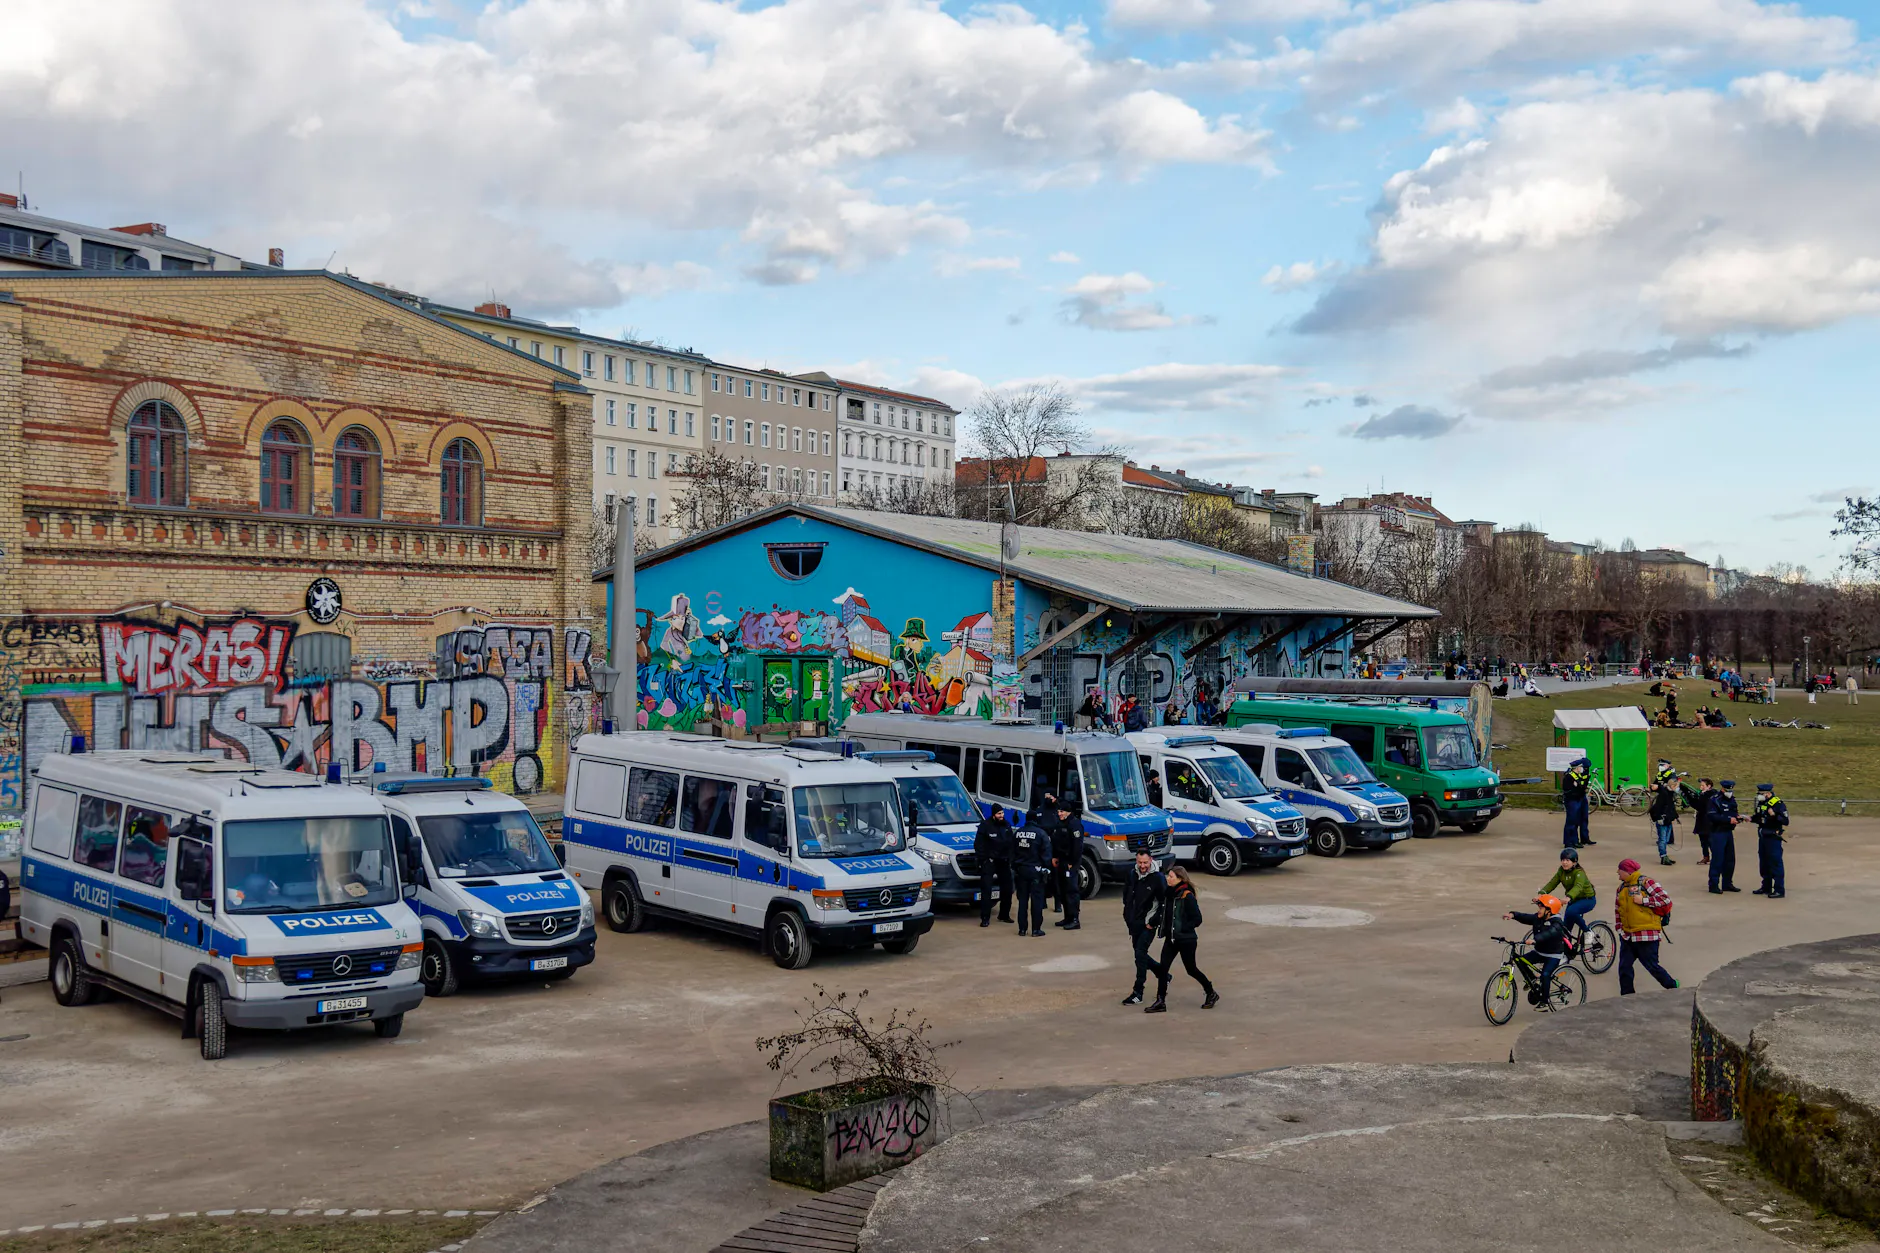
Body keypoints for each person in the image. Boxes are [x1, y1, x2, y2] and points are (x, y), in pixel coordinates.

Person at [1145, 865, 1217, 1012]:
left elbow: (1197, 919)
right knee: (1163, 969)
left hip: (1186, 940)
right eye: (1168, 876)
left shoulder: (1187, 896)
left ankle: (1211, 992)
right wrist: (1152, 923)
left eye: (1171, 876)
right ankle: (1160, 1001)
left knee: (1191, 969)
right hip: (1171, 940)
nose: (1168, 878)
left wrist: (1183, 928)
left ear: (1180, 879)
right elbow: (1163, 913)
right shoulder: (1168, 894)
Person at [1615, 858, 1678, 995]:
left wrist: (1643, 900)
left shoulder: (1646, 882)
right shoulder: (1621, 888)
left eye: (1619, 870)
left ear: (1627, 871)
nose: (1617, 873)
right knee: (1624, 968)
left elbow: (1665, 900)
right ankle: (1627, 996)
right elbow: (1618, 909)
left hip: (1646, 935)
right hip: (1628, 936)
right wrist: (1620, 929)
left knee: (1652, 967)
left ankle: (1672, 986)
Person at [1503, 894, 1571, 1010]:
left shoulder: (1557, 923)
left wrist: (1535, 940)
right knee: (1520, 960)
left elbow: (1549, 933)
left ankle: (1545, 1002)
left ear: (1549, 910)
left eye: (1541, 908)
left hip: (1553, 955)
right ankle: (1533, 980)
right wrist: (1513, 915)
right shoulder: (1539, 918)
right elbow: (1526, 917)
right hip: (1540, 952)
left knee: (1545, 975)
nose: (1538, 911)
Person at [1120, 850, 1166, 1006]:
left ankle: (1137, 992)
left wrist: (1153, 921)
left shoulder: (1158, 878)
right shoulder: (1132, 874)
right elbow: (1126, 896)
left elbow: (1164, 904)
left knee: (1140, 954)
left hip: (1148, 924)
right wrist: (1127, 915)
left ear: (1151, 860)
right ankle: (1162, 973)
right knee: (1139, 954)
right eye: (1140, 862)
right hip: (1134, 923)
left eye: (1145, 862)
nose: (1142, 866)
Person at [1539, 849, 1597, 946]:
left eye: (1568, 860)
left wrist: (1568, 897)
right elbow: (1553, 882)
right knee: (1565, 930)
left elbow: (1578, 887)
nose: (1564, 862)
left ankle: (1588, 931)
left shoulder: (1579, 873)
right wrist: (1542, 893)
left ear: (1574, 862)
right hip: (1573, 900)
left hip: (1587, 900)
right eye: (1563, 860)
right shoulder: (1561, 871)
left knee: (1571, 911)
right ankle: (1567, 954)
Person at [974, 806, 1016, 928]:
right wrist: (984, 860)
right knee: (986, 890)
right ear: (993, 815)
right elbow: (978, 844)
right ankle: (985, 918)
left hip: (1003, 861)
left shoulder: (1006, 825)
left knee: (1007, 889)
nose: (1001, 815)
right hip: (989, 861)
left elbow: (1011, 843)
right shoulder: (985, 825)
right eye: (999, 813)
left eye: (1002, 813)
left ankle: (1004, 915)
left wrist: (1010, 858)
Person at [1010, 816, 1052, 937]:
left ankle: (1022, 929)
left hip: (1021, 870)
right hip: (1036, 871)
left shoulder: (1018, 832)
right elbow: (1047, 853)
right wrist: (1046, 868)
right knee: (1036, 901)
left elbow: (1012, 852)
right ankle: (1036, 929)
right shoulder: (1041, 833)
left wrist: (1015, 867)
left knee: (1022, 901)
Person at [1048, 801, 1084, 931]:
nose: (1059, 814)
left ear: (1068, 812)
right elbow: (1056, 841)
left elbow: (1077, 846)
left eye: (1062, 811)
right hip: (1061, 860)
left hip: (1070, 862)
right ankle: (1067, 917)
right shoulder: (1060, 824)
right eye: (1058, 811)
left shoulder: (1074, 824)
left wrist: (1072, 863)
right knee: (1062, 890)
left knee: (1071, 891)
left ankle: (1074, 919)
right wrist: (1055, 856)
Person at [1752, 783, 1790, 898]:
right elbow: (1759, 817)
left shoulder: (1778, 804)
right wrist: (1750, 819)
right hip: (1763, 837)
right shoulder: (1762, 803)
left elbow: (1785, 821)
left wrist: (1774, 815)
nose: (1759, 796)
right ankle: (1766, 887)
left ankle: (1779, 889)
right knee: (1764, 863)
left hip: (1773, 837)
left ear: (1768, 793)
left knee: (1775, 863)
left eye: (1761, 794)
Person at [1707, 780, 1742, 893]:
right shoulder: (1715, 800)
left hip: (1728, 832)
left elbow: (1734, 811)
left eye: (1731, 790)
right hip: (1717, 832)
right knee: (1718, 859)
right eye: (1727, 790)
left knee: (1730, 859)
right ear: (1722, 789)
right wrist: (1728, 819)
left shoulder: (1731, 799)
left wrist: (1737, 818)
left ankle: (1727, 883)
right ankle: (1713, 884)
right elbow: (1712, 816)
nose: (1729, 792)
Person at [1648, 761, 1680, 865]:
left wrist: (1674, 816)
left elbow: (1671, 806)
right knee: (1662, 838)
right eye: (1675, 786)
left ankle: (1665, 855)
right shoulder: (1665, 793)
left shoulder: (1669, 792)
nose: (1676, 788)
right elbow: (1660, 805)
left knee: (1666, 838)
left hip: (1668, 817)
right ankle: (1663, 857)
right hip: (1662, 817)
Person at [1562, 757, 1593, 849]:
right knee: (1571, 821)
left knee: (1583, 818)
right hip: (1572, 800)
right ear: (1577, 767)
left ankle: (1581, 839)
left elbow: (1583, 785)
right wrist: (1577, 788)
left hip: (1581, 798)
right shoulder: (1569, 776)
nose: (1582, 769)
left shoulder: (1579, 775)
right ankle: (1569, 842)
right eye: (1581, 767)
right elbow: (1568, 790)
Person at [1691, 778, 1715, 865]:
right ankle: (1706, 857)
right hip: (1701, 821)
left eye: (1702, 785)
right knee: (1703, 841)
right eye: (1700, 785)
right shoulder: (1702, 794)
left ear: (1709, 786)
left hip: (1708, 821)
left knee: (1710, 841)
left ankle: (1715, 857)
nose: (1701, 787)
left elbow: (1700, 806)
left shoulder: (1710, 795)